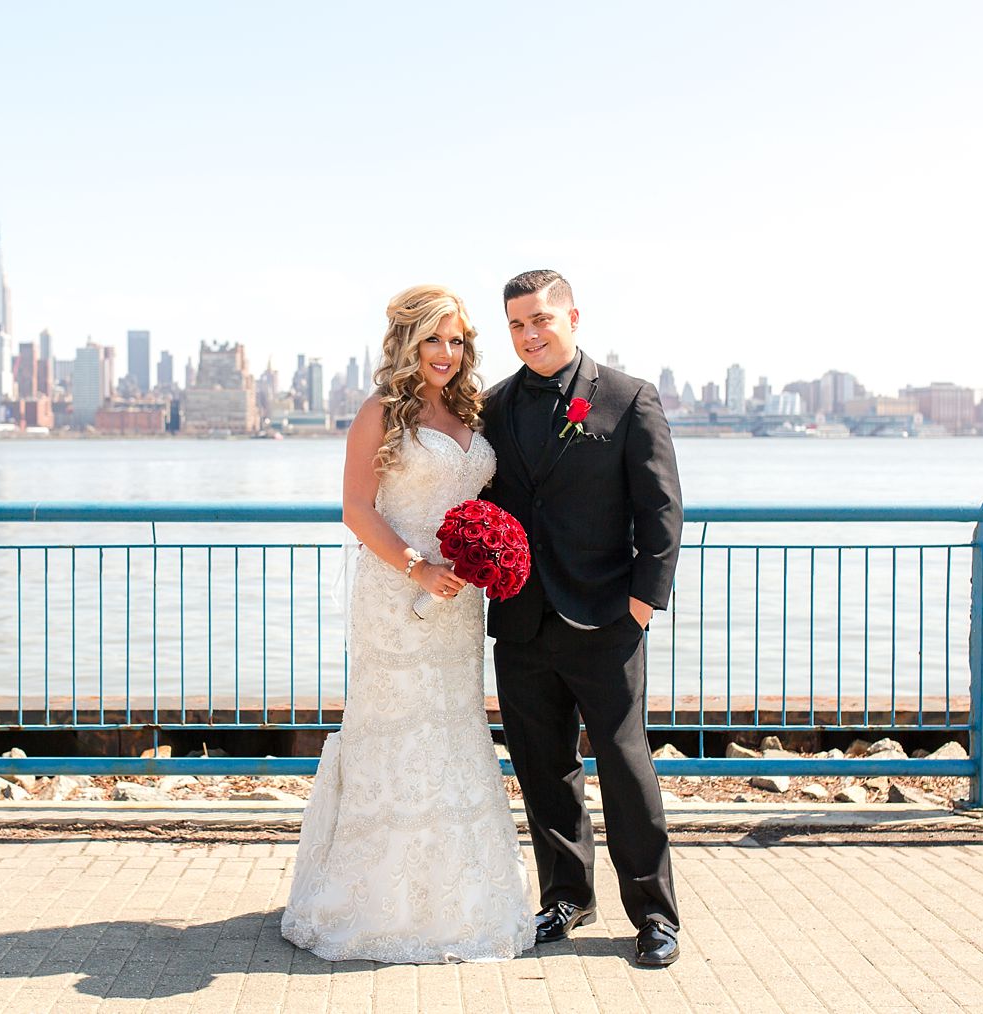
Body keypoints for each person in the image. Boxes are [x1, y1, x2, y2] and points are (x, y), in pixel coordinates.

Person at [282, 284, 535, 963]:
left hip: (458, 598)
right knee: (395, 727)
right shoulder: (379, 414)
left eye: (456, 340)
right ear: (407, 343)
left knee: (454, 727)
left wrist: (487, 552)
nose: (446, 353)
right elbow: (357, 510)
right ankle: (374, 901)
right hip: (398, 591)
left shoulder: (469, 411)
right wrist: (416, 566)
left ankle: (463, 899)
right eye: (433, 339)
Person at [478, 269, 684, 967]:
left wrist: (643, 600)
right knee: (543, 769)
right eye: (516, 325)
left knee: (626, 766)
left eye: (540, 319)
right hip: (522, 621)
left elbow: (660, 508)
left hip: (606, 618)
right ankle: (566, 898)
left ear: (571, 317)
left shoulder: (629, 399)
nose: (529, 334)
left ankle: (654, 914)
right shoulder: (495, 406)